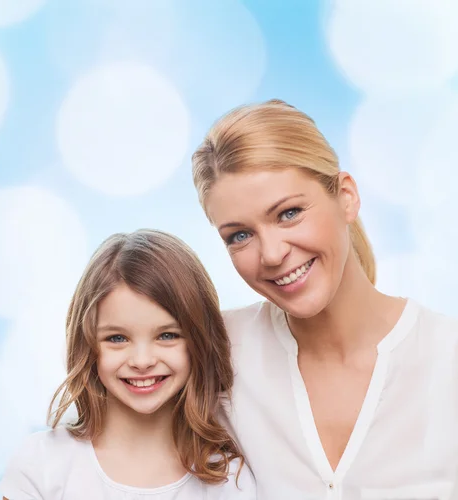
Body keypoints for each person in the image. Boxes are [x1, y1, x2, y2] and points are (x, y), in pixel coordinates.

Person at [191, 99, 458, 499]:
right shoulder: (216, 355)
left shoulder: (445, 359)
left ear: (346, 197)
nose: (272, 253)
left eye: (288, 213)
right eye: (239, 235)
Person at [0, 229, 257, 499]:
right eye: (117, 338)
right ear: (87, 345)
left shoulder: (229, 480)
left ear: (199, 341)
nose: (142, 361)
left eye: (167, 335)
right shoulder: (42, 464)